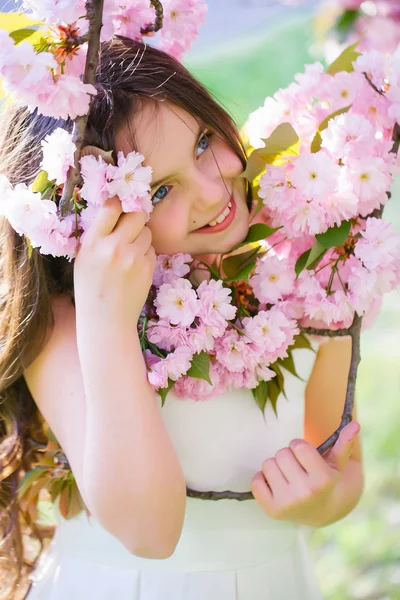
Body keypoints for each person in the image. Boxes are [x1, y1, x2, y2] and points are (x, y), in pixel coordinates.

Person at [0, 36, 363, 600]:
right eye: (162, 188)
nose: (213, 190)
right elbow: (149, 531)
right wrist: (109, 322)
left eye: (202, 142)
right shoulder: (65, 324)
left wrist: (322, 501)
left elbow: (344, 461)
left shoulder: (309, 277)